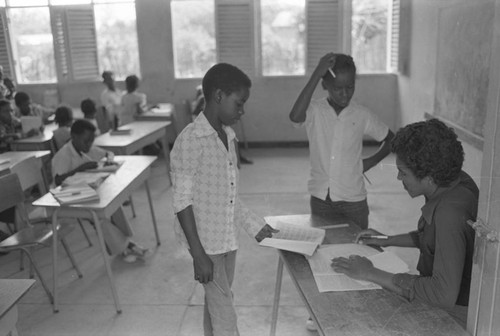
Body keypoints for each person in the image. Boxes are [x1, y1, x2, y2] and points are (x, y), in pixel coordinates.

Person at [331, 119, 478, 328]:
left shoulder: (448, 213)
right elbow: (436, 240)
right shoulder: (456, 181)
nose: (399, 177)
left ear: (428, 177)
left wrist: (370, 272)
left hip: (455, 316)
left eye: (403, 172)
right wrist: (388, 239)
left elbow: (442, 294)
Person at [171, 63, 278, 335]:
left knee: (217, 302)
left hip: (227, 240)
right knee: (225, 315)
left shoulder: (228, 137)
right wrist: (198, 254)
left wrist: (254, 226)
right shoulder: (191, 140)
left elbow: (229, 197)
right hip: (206, 245)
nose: (242, 111)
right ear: (218, 96)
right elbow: (181, 201)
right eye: (239, 104)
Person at [289, 53, 394, 230]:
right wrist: (317, 73)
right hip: (321, 199)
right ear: (325, 85)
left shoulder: (361, 114)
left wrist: (370, 162)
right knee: (324, 249)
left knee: (357, 248)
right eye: (338, 88)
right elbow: (295, 116)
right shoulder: (315, 110)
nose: (345, 94)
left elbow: (391, 139)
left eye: (350, 87)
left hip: (353, 200)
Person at [52, 119, 149, 263]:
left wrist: (108, 159)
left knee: (113, 203)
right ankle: (125, 247)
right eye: (86, 141)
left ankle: (126, 242)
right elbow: (57, 181)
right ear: (74, 137)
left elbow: (107, 153)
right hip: (63, 196)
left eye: (91, 141)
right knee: (99, 214)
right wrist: (80, 169)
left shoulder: (85, 147)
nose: (89, 144)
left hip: (82, 190)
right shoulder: (63, 155)